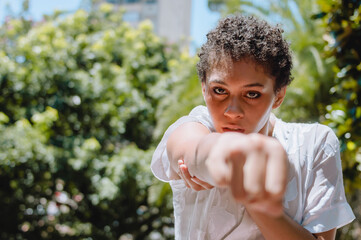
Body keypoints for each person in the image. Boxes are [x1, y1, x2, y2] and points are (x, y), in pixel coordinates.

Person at [151, 15, 355, 240]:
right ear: (203, 89)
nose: (232, 111)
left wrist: (258, 203)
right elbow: (194, 150)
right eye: (219, 90)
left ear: (279, 96)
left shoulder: (314, 143)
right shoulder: (195, 125)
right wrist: (228, 158)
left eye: (252, 94)